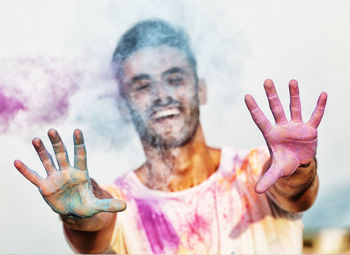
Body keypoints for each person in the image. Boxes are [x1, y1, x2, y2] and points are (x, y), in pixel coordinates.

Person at [14, 19, 327, 254]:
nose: (161, 95)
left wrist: (300, 170)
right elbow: (92, 233)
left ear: (200, 89)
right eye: (143, 85)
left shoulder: (259, 171)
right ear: (124, 106)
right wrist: (76, 218)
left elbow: (296, 192)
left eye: (174, 78)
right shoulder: (115, 203)